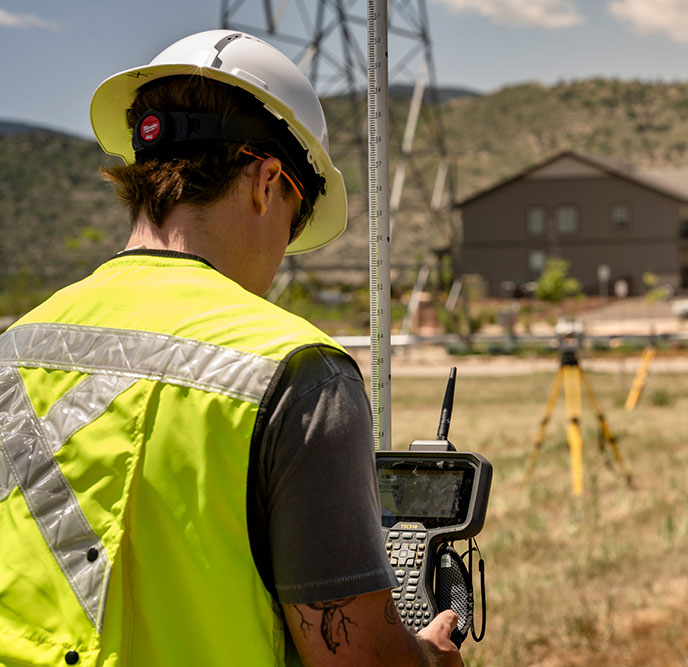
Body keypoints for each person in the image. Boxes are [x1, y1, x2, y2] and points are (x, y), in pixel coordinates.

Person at [0, 30, 461, 667]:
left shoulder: (15, 346)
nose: (282, 253)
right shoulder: (300, 372)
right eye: (294, 225)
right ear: (268, 181)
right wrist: (430, 657)